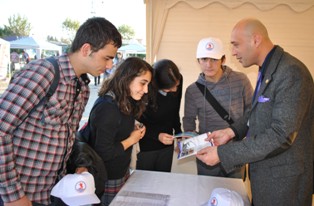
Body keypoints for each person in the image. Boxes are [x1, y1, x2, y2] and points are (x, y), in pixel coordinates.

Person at [0, 17, 122, 206]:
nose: (109, 66)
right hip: (20, 194)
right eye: (106, 58)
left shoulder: (82, 88)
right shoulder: (44, 72)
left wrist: (78, 164)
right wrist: (13, 195)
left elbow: (66, 138)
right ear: (86, 49)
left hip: (52, 193)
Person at [196, 18, 314, 206]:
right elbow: (257, 111)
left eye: (235, 45)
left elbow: (281, 135)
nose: (233, 52)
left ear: (255, 40)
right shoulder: (268, 70)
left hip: (284, 186)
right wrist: (232, 132)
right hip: (266, 178)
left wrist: (222, 154)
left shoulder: (291, 72)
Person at [183, 37, 253, 179]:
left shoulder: (241, 80)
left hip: (234, 150)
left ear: (223, 59)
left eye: (214, 59)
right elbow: (189, 121)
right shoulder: (192, 90)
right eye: (204, 59)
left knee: (234, 193)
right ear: (198, 61)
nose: (208, 65)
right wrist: (189, 143)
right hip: (206, 151)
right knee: (206, 192)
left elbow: (252, 111)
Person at [87, 57, 153, 206]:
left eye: (148, 84)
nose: (146, 90)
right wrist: (132, 139)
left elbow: (118, 124)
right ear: (127, 78)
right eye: (143, 83)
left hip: (120, 170)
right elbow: (104, 152)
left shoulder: (123, 98)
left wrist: (134, 125)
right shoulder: (108, 107)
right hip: (108, 176)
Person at [136, 59, 183, 172]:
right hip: (147, 144)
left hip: (167, 144)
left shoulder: (176, 80)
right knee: (145, 183)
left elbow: (175, 110)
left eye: (176, 85)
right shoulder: (145, 89)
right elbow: (138, 122)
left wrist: (179, 134)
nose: (175, 89)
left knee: (163, 180)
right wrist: (157, 135)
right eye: (170, 88)